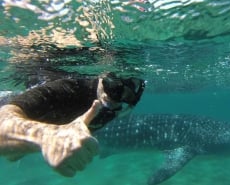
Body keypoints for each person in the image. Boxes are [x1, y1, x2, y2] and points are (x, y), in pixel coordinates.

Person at [0, 72, 145, 177]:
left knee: (14, 155)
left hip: (35, 133)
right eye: (114, 88)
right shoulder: (69, 88)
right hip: (19, 115)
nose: (117, 99)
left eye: (128, 95)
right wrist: (48, 137)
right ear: (103, 76)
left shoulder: (113, 108)